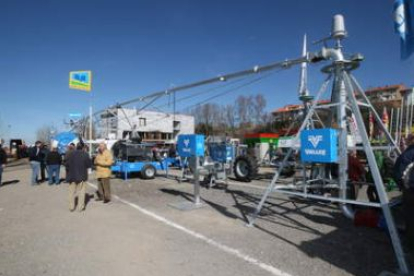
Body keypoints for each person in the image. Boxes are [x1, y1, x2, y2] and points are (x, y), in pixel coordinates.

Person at [394, 134, 414, 251]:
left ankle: (410, 245)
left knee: (410, 219)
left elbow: (398, 172)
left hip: (410, 190)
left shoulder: (408, 153)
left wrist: (402, 186)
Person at [65, 143, 92, 212]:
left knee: (71, 192)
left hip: (71, 176)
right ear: (83, 147)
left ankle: (71, 207)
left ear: (76, 147)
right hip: (82, 176)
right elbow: (89, 165)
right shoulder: (85, 154)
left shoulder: (70, 154)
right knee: (81, 192)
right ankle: (80, 207)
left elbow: (66, 164)